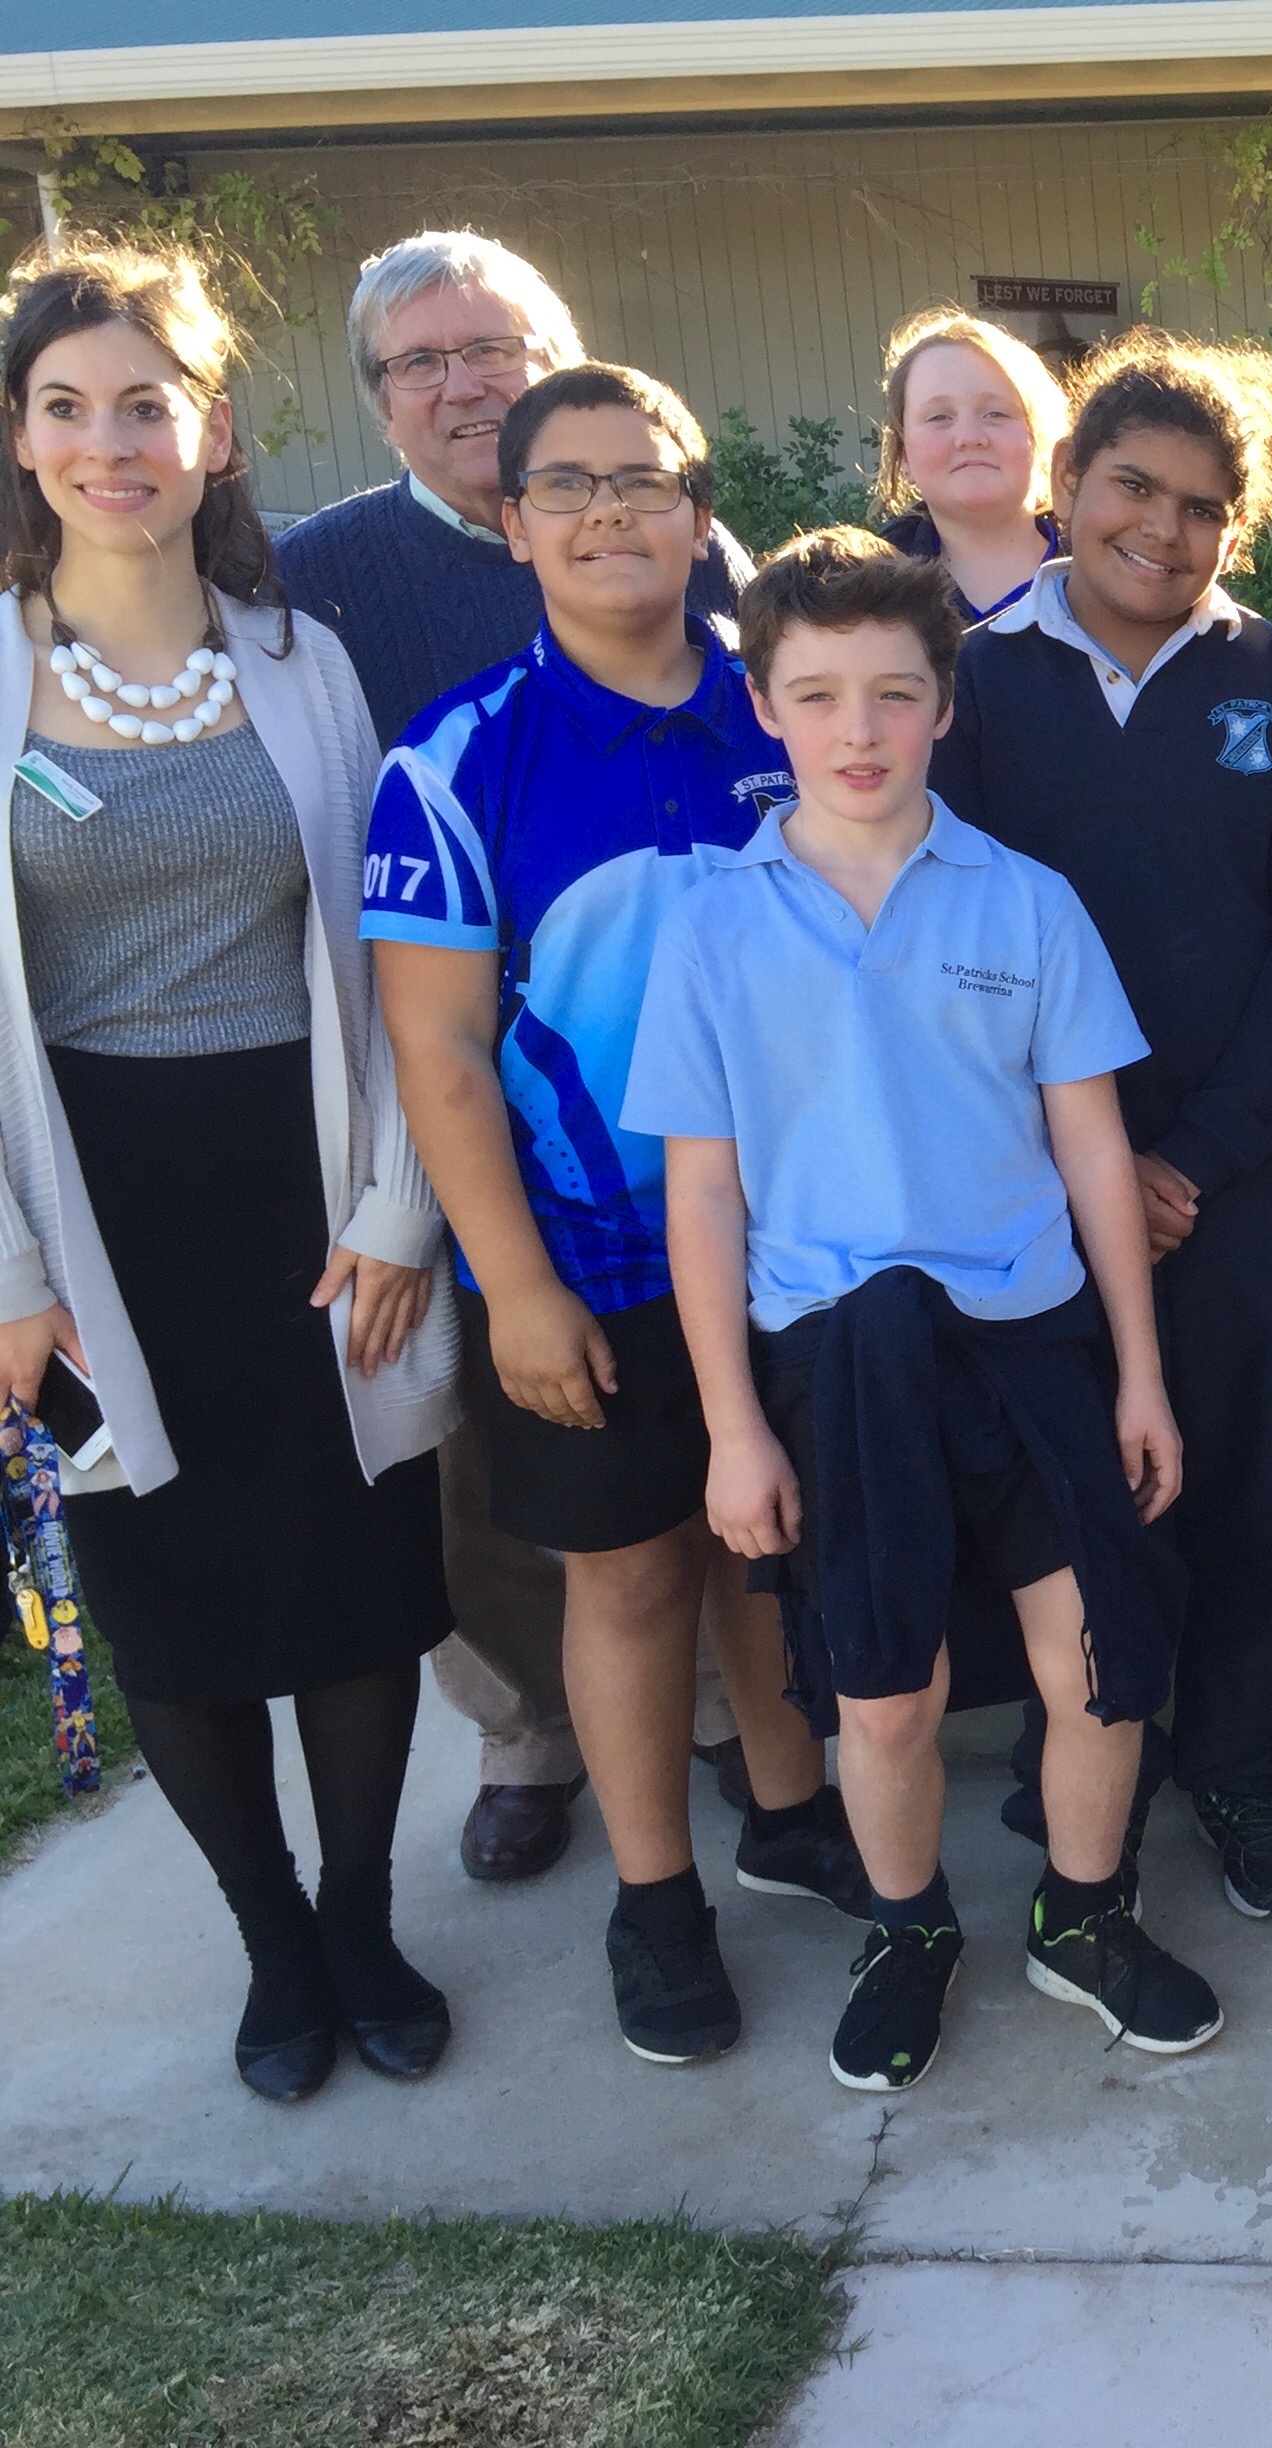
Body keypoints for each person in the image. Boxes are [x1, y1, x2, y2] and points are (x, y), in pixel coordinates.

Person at [635, 529, 1211, 2092]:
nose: (861, 731)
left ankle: (1084, 1915)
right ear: (763, 707)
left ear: (946, 706)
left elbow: (1096, 1152)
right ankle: (907, 1929)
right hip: (837, 1354)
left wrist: (1140, 1375)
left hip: (1028, 1338)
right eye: (818, 696)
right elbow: (703, 1196)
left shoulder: (1024, 906)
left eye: (894, 694)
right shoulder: (712, 931)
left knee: (1101, 1649)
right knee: (883, 1691)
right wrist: (734, 1427)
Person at [367, 361, 867, 2069]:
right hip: (587, 1260)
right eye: (564, 485)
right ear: (510, 524)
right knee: (636, 1570)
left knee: (771, 1536)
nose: (606, 513)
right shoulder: (452, 762)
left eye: (641, 481)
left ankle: (792, 1810)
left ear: (700, 506)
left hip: (801, 1243)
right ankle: (657, 1897)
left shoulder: (787, 710)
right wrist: (509, 1284)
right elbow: (435, 1048)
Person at [1, 242, 460, 2101]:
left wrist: (398, 1206)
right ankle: (272, 1944)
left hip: (314, 1184)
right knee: (167, 1592)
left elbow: (393, 965)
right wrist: (11, 1272)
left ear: (215, 432)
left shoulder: (302, 663)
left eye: (146, 402)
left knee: (353, 1574)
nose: (111, 442)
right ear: (20, 437)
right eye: (66, 405)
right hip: (89, 1213)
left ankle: (361, 1915)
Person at [276, 229, 753, 1887]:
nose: (466, 380)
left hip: (774, 1215)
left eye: (499, 348)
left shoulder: (752, 659)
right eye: (427, 360)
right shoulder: (323, 589)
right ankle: (556, 1771)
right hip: (535, 1181)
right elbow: (434, 1031)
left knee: (748, 1534)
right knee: (541, 1513)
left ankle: (759, 1775)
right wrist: (484, 1248)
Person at [937, 331, 1272, 1917]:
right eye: (1132, 485)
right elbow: (942, 929)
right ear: (1065, 489)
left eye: (1204, 506)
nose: (1163, 529)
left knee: (1246, 1479)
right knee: (1069, 1483)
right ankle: (1078, 1746)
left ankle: (1248, 1771)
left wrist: (1193, 1154)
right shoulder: (974, 683)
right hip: (1032, 1182)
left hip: (1244, 1175)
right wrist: (1084, 1166)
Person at [874, 306, 1071, 623]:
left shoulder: (1106, 573)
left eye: (995, 413)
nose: (969, 437)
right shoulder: (864, 592)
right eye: (939, 417)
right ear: (903, 454)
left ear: (1041, 434)